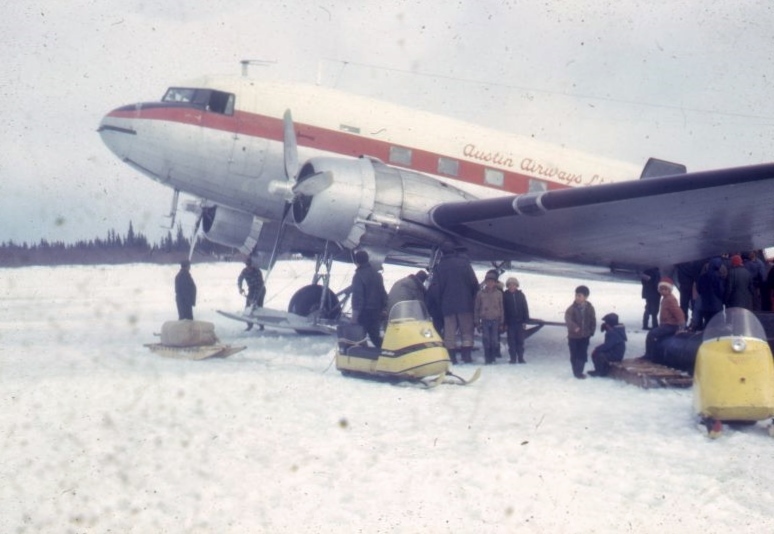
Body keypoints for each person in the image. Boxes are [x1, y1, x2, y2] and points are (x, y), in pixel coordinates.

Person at [433, 242, 479, 364]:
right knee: (467, 332)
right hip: (465, 304)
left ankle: (452, 358)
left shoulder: (440, 266)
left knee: (449, 332)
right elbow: (474, 284)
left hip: (447, 306)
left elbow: (436, 289)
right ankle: (466, 356)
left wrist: (438, 306)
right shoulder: (464, 264)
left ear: (443, 252)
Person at [350, 250, 387, 347]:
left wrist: (354, 317)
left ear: (356, 261)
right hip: (376, 312)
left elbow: (358, 298)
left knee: (359, 338)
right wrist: (384, 309)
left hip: (364, 313)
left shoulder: (358, 276)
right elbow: (383, 293)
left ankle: (361, 358)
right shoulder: (377, 275)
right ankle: (385, 353)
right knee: (375, 336)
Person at [643, 277, 685, 362]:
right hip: (666, 324)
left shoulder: (670, 299)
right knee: (656, 335)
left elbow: (679, 313)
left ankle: (649, 355)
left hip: (671, 325)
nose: (663, 291)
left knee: (651, 334)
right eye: (661, 289)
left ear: (669, 290)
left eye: (665, 289)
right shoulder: (665, 298)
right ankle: (654, 354)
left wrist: (681, 326)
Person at [564, 285, 596, 379]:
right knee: (574, 354)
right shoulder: (571, 308)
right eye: (576, 295)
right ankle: (575, 371)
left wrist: (591, 331)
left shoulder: (590, 308)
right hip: (573, 337)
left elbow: (592, 320)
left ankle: (579, 372)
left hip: (585, 336)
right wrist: (574, 327)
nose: (577, 298)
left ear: (585, 297)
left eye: (580, 296)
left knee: (582, 354)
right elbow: (568, 319)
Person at [474, 271, 504, 364]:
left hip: (495, 320)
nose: (490, 283)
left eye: (492, 281)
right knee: (486, 339)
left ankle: (493, 356)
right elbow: (477, 308)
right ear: (485, 282)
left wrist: (502, 321)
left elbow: (501, 307)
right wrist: (477, 322)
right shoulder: (480, 294)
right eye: (488, 281)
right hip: (485, 320)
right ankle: (487, 357)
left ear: (495, 283)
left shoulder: (499, 294)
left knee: (494, 339)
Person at [503, 276, 529, 364]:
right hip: (510, 323)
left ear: (516, 286)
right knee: (511, 341)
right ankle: (513, 358)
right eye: (510, 285)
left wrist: (525, 320)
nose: (512, 287)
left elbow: (525, 307)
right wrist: (504, 322)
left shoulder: (521, 295)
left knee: (520, 341)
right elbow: (504, 310)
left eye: (513, 285)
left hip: (520, 322)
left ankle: (521, 357)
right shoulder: (505, 296)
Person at [238, 257, 266, 331]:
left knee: (258, 307)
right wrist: (240, 288)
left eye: (250, 266)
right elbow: (240, 279)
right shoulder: (244, 271)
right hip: (251, 289)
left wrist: (254, 299)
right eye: (248, 266)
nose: (249, 267)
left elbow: (259, 286)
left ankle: (261, 325)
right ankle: (250, 325)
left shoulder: (257, 271)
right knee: (248, 306)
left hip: (261, 290)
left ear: (252, 265)